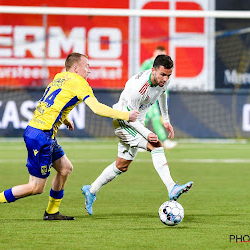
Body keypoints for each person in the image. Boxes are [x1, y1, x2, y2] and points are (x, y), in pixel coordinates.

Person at [0, 52, 139, 221]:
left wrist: (65, 119)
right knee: (36, 187)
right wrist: (126, 115)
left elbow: (50, 102)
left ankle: (52, 211)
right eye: (87, 66)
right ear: (76, 68)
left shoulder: (60, 77)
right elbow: (97, 108)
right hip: (41, 136)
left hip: (41, 131)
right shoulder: (80, 83)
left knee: (65, 169)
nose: (89, 71)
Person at [81, 54, 193, 215]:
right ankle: (171, 187)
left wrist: (166, 120)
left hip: (137, 123)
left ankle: (91, 190)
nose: (166, 79)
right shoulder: (137, 88)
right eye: (163, 74)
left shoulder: (162, 81)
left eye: (169, 75)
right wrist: (147, 134)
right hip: (123, 122)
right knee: (156, 145)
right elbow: (128, 117)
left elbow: (162, 93)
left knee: (122, 165)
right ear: (153, 70)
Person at [140, 46, 177, 150]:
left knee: (145, 119)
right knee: (154, 117)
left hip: (155, 97)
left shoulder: (165, 70)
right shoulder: (147, 63)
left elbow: (164, 88)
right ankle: (165, 141)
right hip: (145, 97)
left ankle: (137, 141)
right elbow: (139, 77)